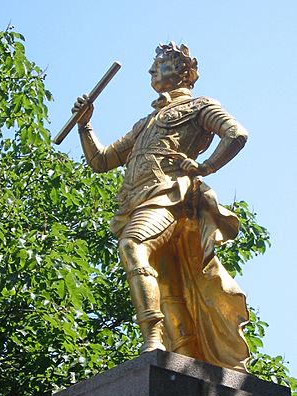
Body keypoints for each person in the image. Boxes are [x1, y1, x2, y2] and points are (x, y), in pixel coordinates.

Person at [73, 42, 249, 372]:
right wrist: (85, 125)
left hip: (169, 195)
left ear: (186, 71)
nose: (153, 71)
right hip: (135, 200)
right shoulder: (145, 123)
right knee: (170, 288)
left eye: (163, 63)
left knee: (133, 246)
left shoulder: (201, 106)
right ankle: (183, 363)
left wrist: (205, 167)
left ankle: (151, 340)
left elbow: (236, 134)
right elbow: (101, 160)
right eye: (154, 65)